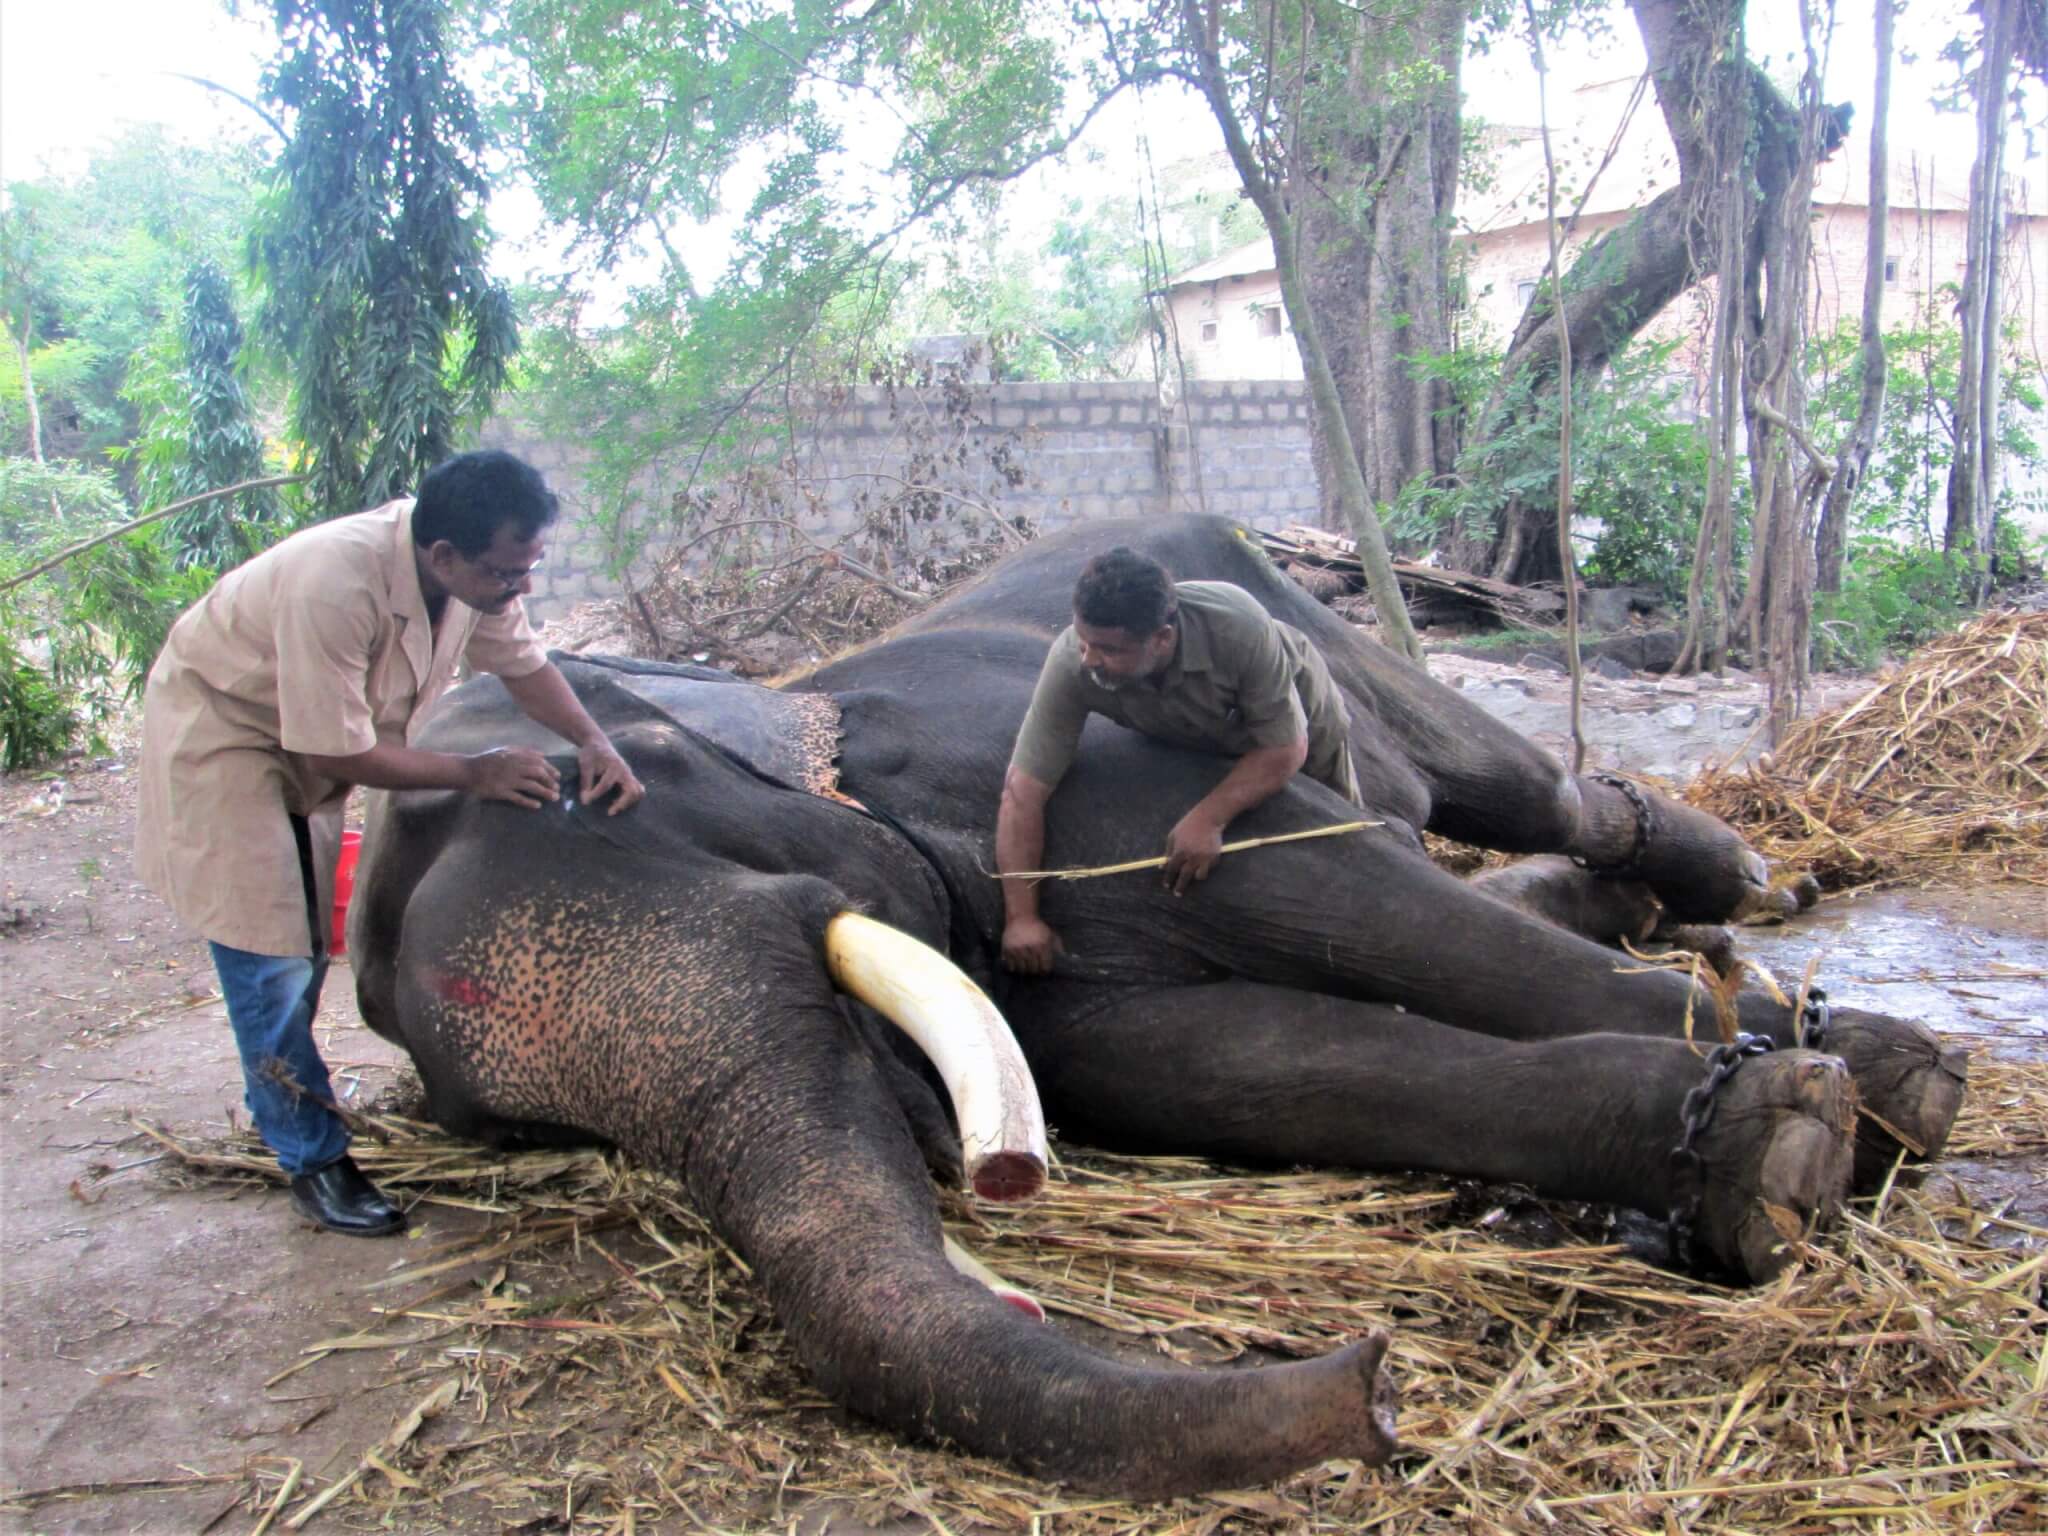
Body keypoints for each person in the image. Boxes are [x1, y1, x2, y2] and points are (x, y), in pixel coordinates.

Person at [136, 450, 646, 1237]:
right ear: (445, 556)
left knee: (305, 942)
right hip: (228, 737)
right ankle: (312, 1156)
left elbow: (523, 664)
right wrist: (473, 773)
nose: (523, 585)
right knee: (269, 958)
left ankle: (286, 1093)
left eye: (530, 566)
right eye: (509, 572)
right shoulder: (333, 583)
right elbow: (333, 753)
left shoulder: (469, 573)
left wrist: (594, 740)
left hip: (305, 741)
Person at [996, 546, 1359, 975]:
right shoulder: (1075, 660)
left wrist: (1209, 818)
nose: (1090, 659)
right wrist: (1021, 918)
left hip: (1290, 715)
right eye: (1084, 640)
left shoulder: (1237, 626)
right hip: (1187, 726)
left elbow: (1285, 749)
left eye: (1109, 649)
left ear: (1162, 638)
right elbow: (1022, 793)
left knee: (1340, 834)